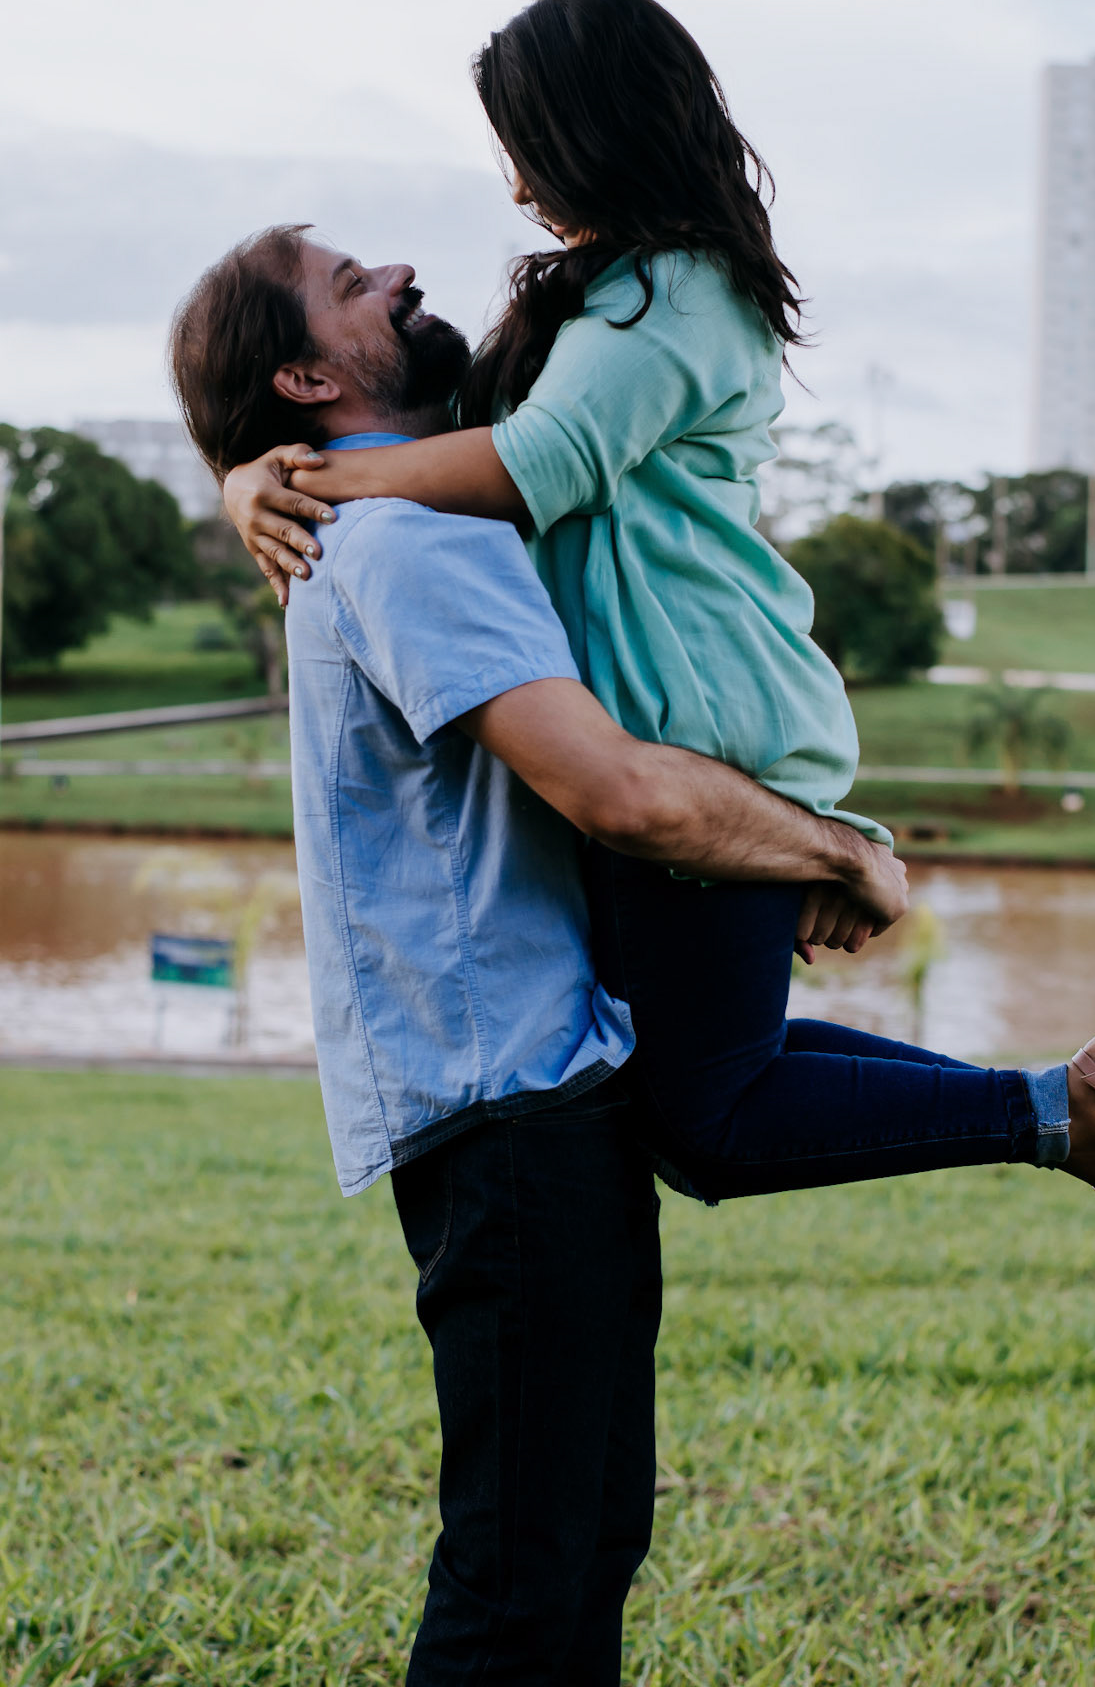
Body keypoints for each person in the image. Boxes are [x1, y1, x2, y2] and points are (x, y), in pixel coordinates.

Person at [223, 0, 1095, 1303]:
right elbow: (438, 436)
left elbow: (533, 460)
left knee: (709, 1120)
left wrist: (304, 480)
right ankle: (1076, 1107)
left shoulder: (680, 292)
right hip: (674, 724)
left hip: (703, 731)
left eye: (524, 146)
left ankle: (1078, 1111)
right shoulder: (609, 300)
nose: (515, 186)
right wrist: (246, 476)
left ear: (592, 131)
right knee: (709, 1089)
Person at [169, 226, 912, 1685]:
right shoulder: (405, 541)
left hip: (537, 1085)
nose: (398, 274)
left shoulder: (386, 515)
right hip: (507, 1103)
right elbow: (622, 793)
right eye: (349, 284)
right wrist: (838, 850)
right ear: (308, 376)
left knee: (581, 1546)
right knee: (519, 1579)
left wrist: (246, 474)